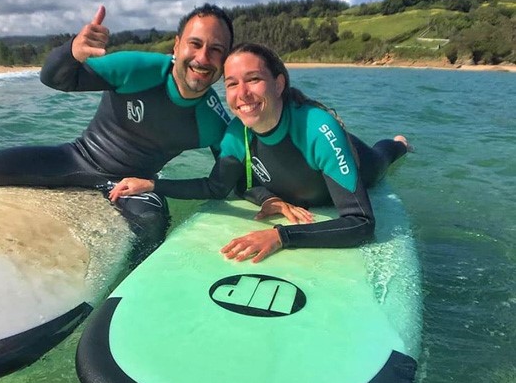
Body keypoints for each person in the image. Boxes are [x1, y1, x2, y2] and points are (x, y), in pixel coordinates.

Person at [0, 3, 234, 260]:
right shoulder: (138, 68)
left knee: (151, 223)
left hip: (133, 184)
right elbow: (55, 78)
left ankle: (126, 292)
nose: (202, 58)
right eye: (195, 44)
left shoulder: (214, 120)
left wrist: (158, 185)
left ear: (225, 60)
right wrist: (72, 50)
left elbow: (222, 185)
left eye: (215, 50)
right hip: (78, 158)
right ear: (177, 45)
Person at [109, 42, 411, 263]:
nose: (242, 94)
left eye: (253, 79)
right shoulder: (236, 132)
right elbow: (218, 187)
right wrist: (151, 184)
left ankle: (400, 143)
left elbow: (360, 223)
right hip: (297, 191)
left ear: (278, 84)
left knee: (383, 156)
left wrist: (281, 236)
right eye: (231, 84)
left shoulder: (317, 129)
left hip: (358, 161)